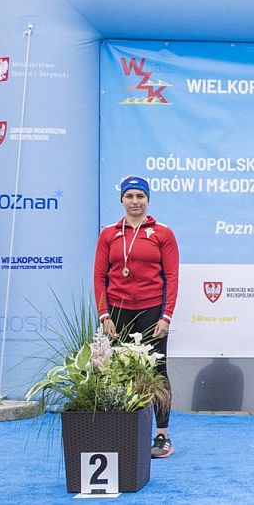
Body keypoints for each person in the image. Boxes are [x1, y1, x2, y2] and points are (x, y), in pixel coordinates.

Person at [93, 175, 180, 459]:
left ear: (147, 200)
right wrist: (104, 314)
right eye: (129, 196)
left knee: (156, 372)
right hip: (118, 312)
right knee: (118, 372)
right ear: (121, 200)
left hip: (152, 311)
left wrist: (166, 316)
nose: (134, 202)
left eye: (140, 196)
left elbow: (172, 276)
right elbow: (99, 276)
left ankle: (162, 435)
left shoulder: (162, 233)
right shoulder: (108, 234)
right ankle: (122, 431)